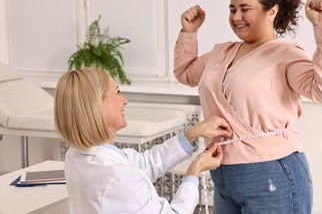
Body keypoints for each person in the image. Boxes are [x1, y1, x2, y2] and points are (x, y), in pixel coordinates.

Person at [174, 0, 322, 213]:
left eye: (245, 9)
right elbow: (185, 73)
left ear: (272, 11)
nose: (236, 17)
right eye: (232, 9)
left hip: (271, 174)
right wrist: (189, 32)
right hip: (222, 174)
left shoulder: (286, 54)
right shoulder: (221, 52)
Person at [54, 67, 232, 214]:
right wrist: (195, 170)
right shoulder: (116, 176)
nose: (125, 101)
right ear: (95, 105)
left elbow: (145, 163)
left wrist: (191, 134)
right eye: (117, 92)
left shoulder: (76, 154)